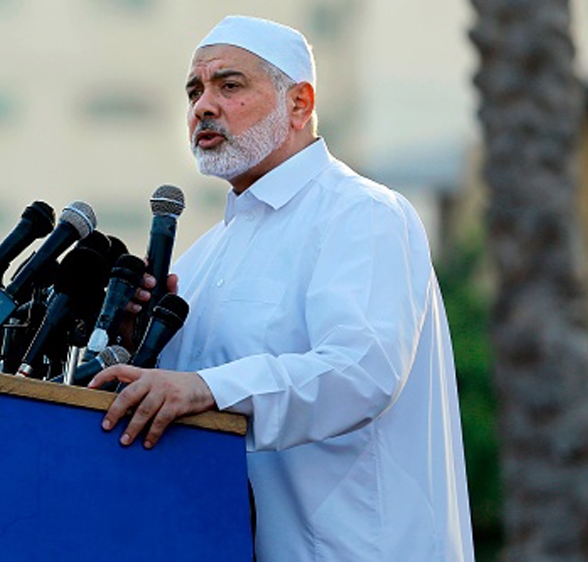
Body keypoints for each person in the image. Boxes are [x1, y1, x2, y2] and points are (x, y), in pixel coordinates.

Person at [88, 15, 475, 562]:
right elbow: (187, 396)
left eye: (230, 85)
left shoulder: (361, 213)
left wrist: (207, 388)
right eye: (195, 90)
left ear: (299, 104)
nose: (203, 106)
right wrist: (135, 342)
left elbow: (360, 369)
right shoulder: (205, 256)